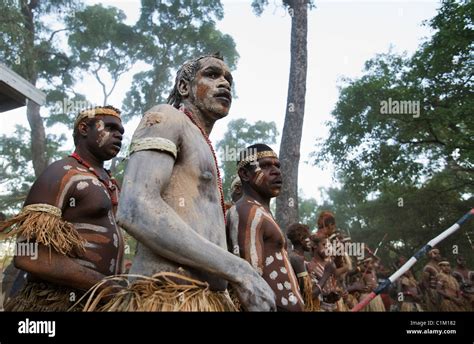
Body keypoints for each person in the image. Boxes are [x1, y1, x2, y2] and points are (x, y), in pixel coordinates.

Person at [94, 54, 275, 311]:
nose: (224, 83)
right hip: (165, 297)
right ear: (184, 87)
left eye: (228, 80)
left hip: (206, 301)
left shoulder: (202, 143)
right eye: (212, 75)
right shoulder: (166, 117)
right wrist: (240, 271)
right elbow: (135, 208)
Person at [0, 106, 125, 311]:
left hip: (100, 304)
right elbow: (27, 254)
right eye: (110, 127)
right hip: (60, 302)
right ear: (84, 129)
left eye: (121, 131)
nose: (118, 134)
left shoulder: (111, 183)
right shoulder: (61, 173)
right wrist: (103, 285)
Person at [226, 144, 304, 311]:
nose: (276, 171)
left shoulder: (260, 212)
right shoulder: (246, 211)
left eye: (277, 165)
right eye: (266, 166)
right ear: (245, 174)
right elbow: (249, 284)